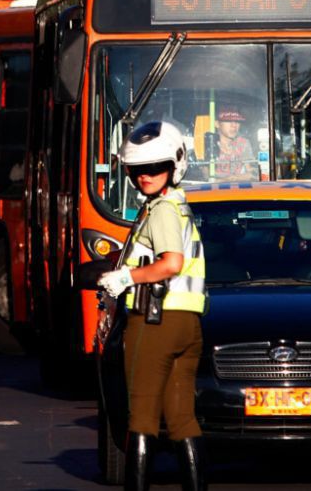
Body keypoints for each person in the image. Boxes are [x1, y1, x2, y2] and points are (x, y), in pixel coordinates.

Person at [97, 121, 206, 491]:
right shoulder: (180, 207)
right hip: (188, 325)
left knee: (140, 417)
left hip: (155, 322)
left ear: (174, 167)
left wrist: (127, 278)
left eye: (155, 168)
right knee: (181, 420)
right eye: (138, 169)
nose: (145, 176)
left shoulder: (161, 211)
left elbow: (171, 263)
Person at [211, 106, 255, 181]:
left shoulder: (243, 143)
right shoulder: (209, 144)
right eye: (228, 121)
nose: (234, 125)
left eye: (237, 121)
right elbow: (205, 176)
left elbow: (252, 173)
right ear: (217, 124)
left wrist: (234, 178)